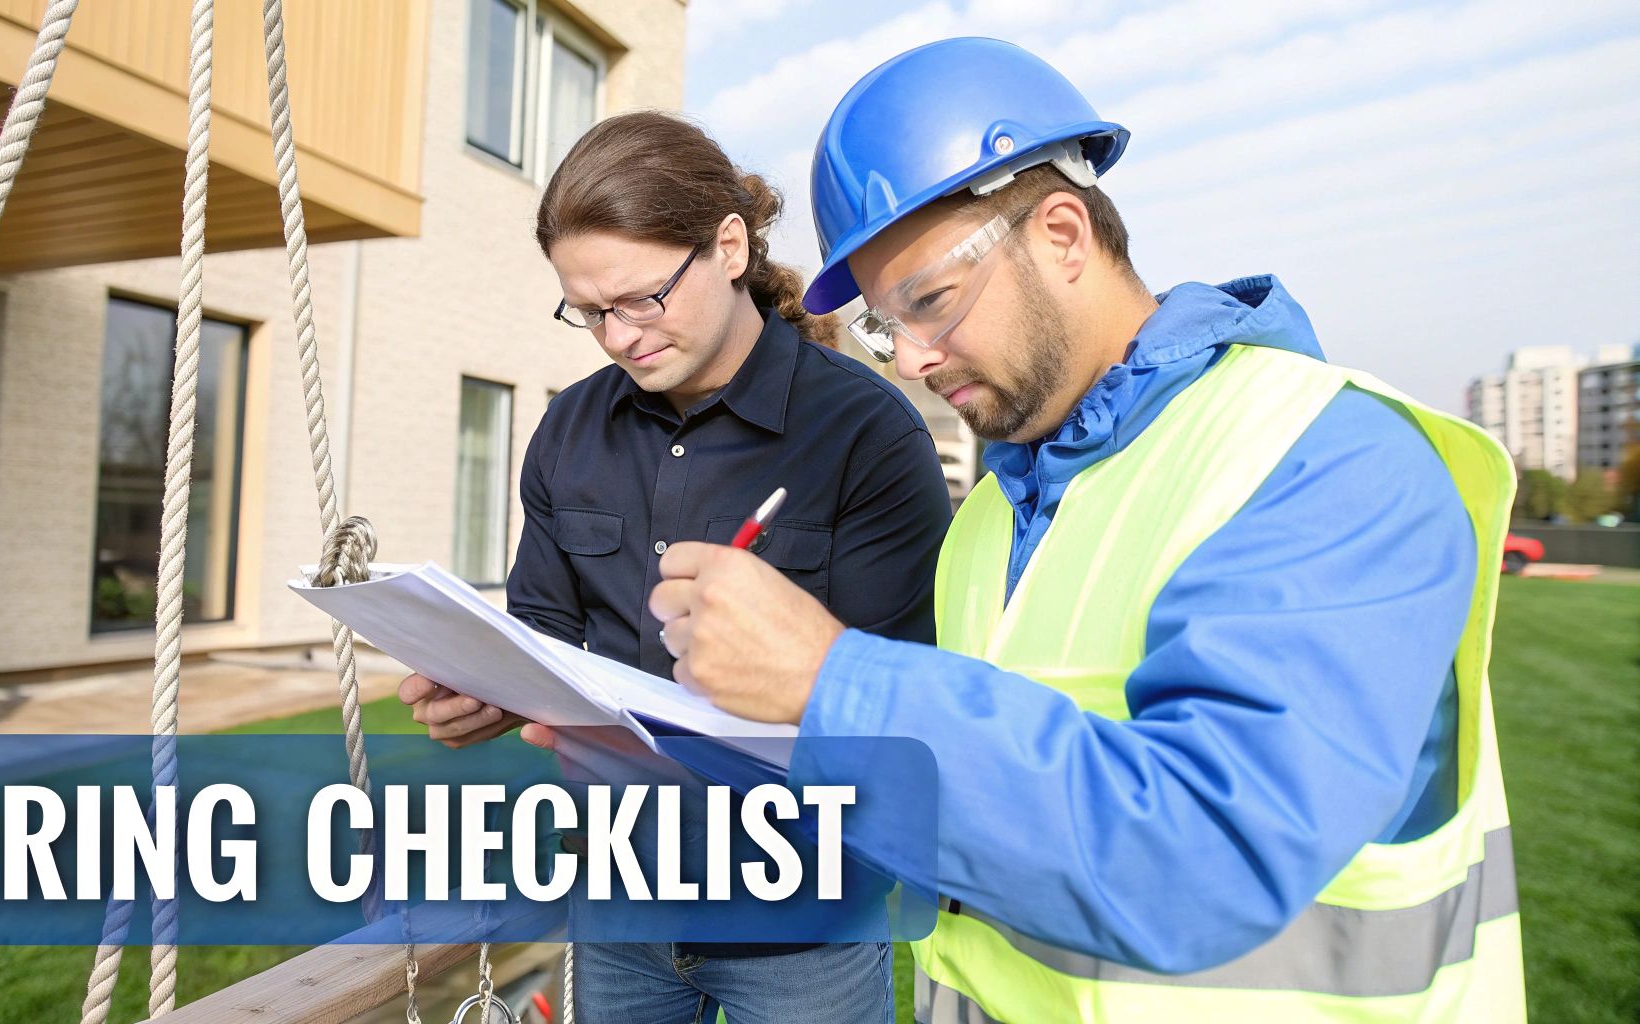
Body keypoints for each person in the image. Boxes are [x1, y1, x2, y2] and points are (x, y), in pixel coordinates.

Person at [650, 37, 1524, 1023]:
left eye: (929, 302)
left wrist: (830, 682)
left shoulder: (1323, 459)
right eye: (886, 328)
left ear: (1062, 234)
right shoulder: (985, 521)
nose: (910, 362)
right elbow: (991, 806)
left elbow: (1209, 854)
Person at [396, 110, 953, 1022]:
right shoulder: (569, 430)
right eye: (589, 311)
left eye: (641, 299)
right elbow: (543, 631)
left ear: (728, 246)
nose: (618, 336)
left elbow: (896, 698)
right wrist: (490, 694)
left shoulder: (866, 433)